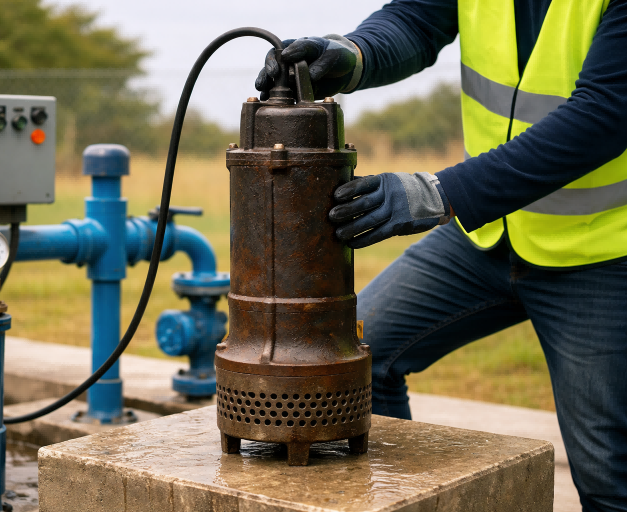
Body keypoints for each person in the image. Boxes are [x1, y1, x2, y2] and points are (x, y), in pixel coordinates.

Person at [256, 1, 627, 510]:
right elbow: (416, 19)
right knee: (354, 359)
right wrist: (352, 54)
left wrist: (439, 193)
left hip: (599, 250)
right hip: (485, 235)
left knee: (608, 471)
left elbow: (606, 112)